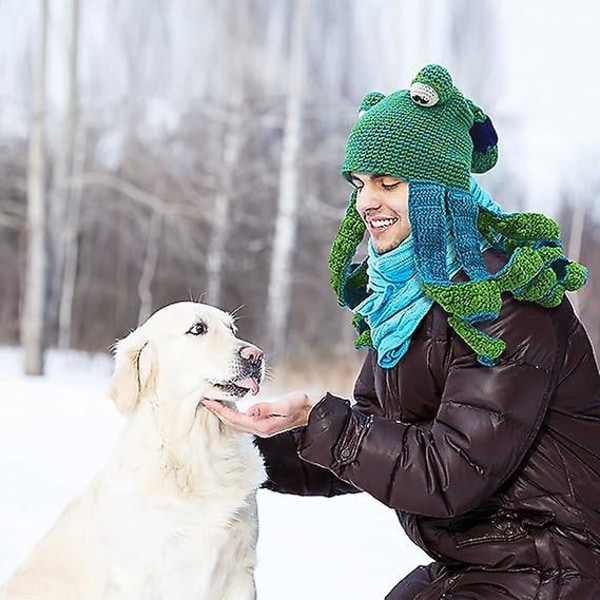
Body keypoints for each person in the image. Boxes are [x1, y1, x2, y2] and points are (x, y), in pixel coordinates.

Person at [203, 64, 600, 599]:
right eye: (361, 183)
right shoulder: (406, 306)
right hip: (483, 562)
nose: (368, 202)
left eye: (389, 183)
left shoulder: (502, 300)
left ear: (441, 192)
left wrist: (320, 417)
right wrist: (239, 444)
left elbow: (450, 471)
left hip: (554, 565)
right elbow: (370, 445)